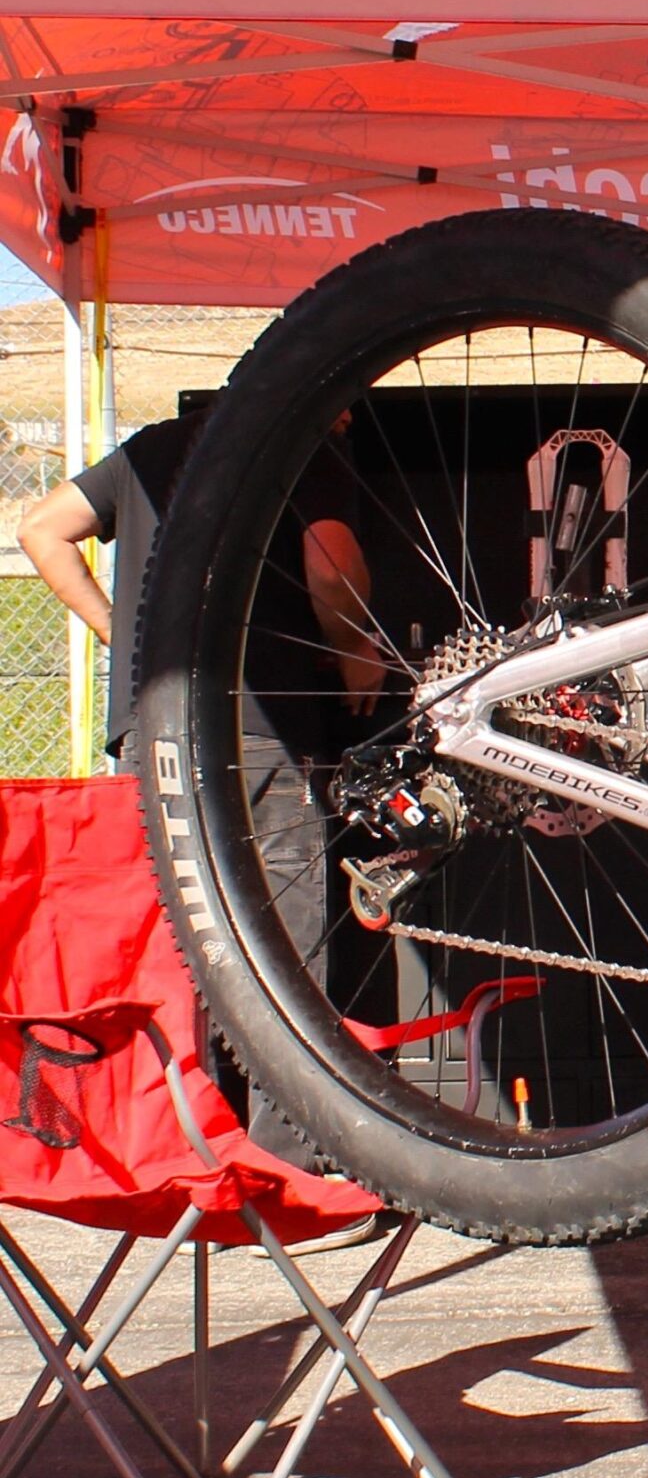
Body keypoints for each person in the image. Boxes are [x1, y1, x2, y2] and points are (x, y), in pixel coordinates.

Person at [18, 404, 387, 1167]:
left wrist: (126, 635)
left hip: (150, 734)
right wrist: (357, 645)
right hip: (257, 725)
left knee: (177, 942)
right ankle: (286, 1167)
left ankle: (189, 1158)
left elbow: (41, 530)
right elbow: (329, 568)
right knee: (283, 932)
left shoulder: (152, 448)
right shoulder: (302, 434)